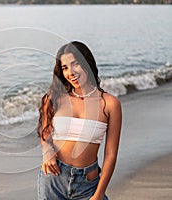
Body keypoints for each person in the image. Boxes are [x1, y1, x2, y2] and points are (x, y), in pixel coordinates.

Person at [37, 41, 122, 200]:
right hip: (52, 179)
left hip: (88, 185)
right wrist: (47, 152)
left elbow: (110, 154)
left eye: (75, 64)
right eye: (65, 68)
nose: (71, 72)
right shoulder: (54, 98)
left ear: (87, 63)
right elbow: (45, 135)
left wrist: (99, 194)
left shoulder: (109, 104)